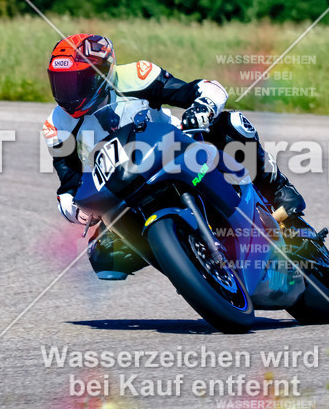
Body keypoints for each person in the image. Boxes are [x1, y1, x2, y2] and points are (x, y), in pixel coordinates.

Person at [42, 32, 305, 280]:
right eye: (61, 84)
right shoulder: (57, 125)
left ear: (101, 75)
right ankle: (188, 266)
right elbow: (68, 187)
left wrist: (203, 107)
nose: (69, 94)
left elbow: (200, 90)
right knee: (104, 256)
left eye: (77, 82)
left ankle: (278, 187)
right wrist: (78, 212)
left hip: (172, 149)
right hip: (123, 187)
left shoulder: (136, 76)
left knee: (231, 125)